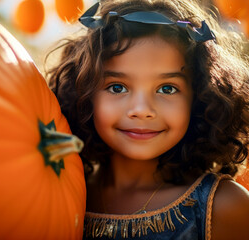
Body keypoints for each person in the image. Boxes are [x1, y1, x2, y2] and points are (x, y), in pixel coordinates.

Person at [45, 0, 249, 239]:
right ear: (85, 93)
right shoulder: (54, 190)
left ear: (200, 97)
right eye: (118, 87)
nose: (142, 110)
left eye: (167, 89)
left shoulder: (224, 207)